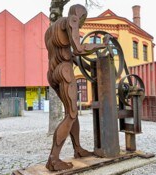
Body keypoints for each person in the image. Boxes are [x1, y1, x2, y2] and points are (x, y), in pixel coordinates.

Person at [44, 4, 109, 171]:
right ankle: (54, 159)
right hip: (65, 71)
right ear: (80, 16)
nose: (80, 24)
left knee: (71, 113)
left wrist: (87, 68)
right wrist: (101, 45)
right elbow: (79, 49)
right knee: (71, 114)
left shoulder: (53, 29)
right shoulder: (71, 20)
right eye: (83, 20)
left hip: (53, 73)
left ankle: (78, 149)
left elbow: (67, 54)